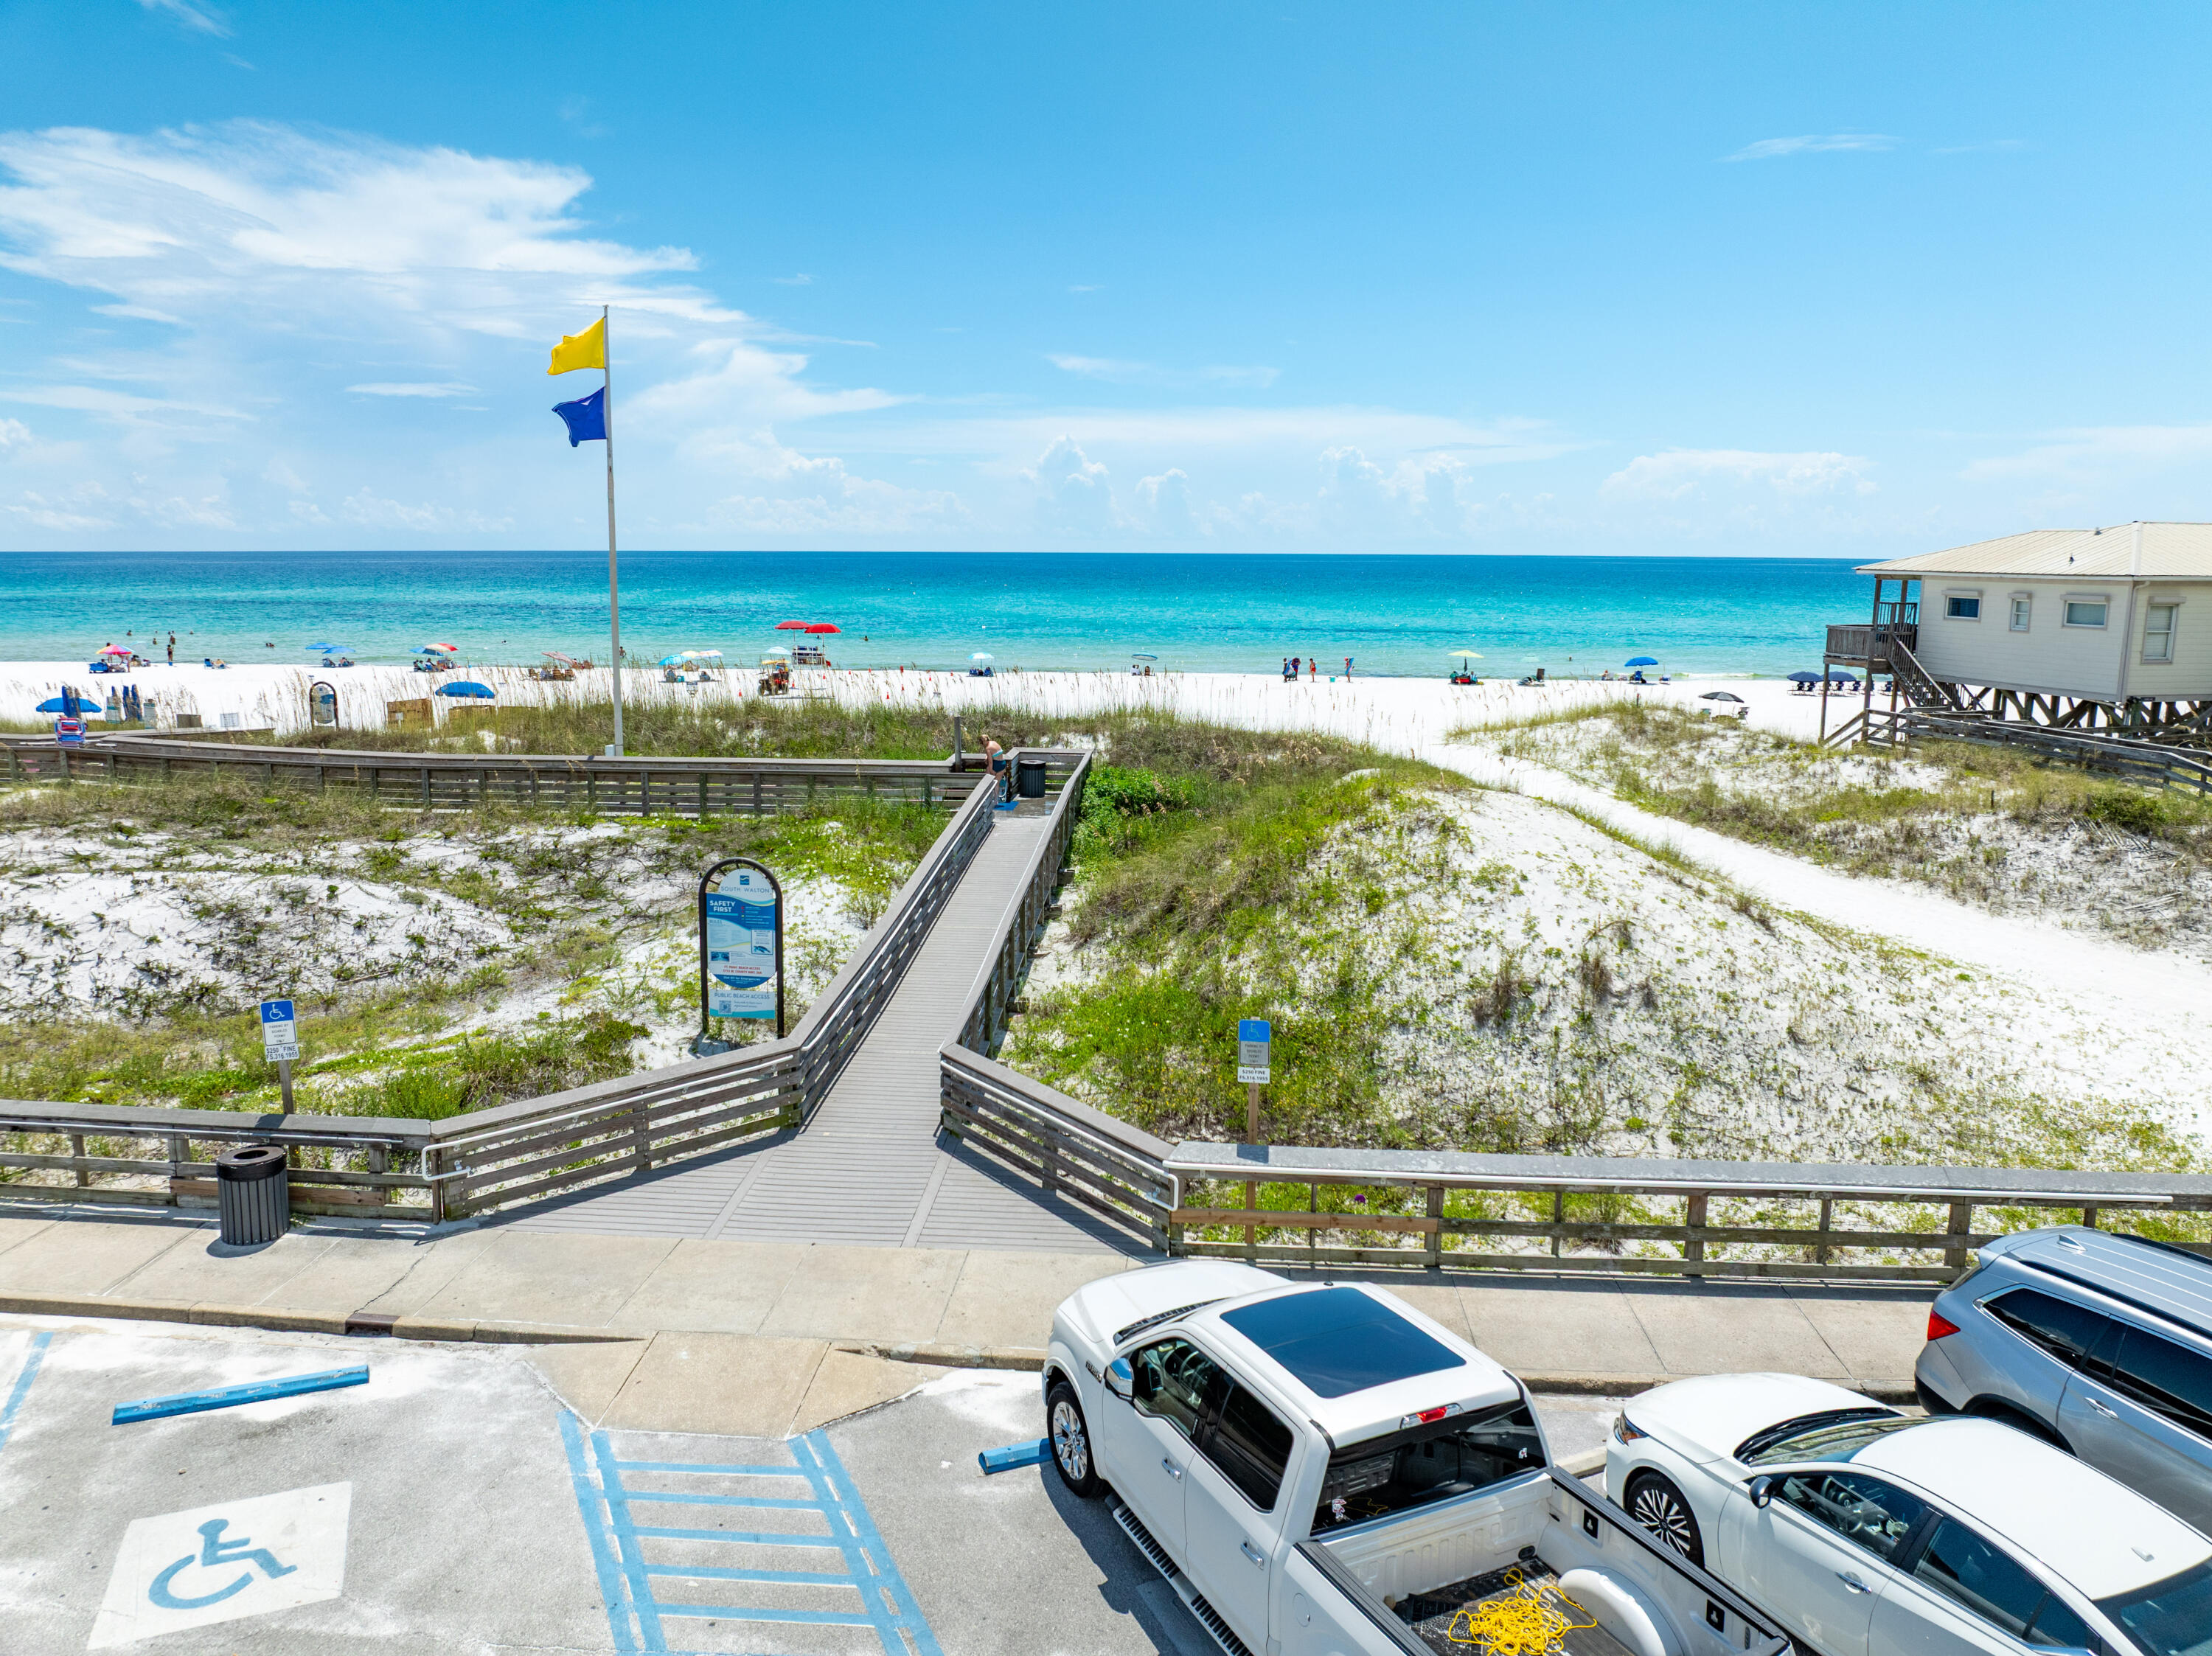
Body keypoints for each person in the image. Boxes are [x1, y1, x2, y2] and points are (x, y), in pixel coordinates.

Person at [982, 735, 1009, 803]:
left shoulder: (988, 748)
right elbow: (995, 752)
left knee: (987, 782)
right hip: (1003, 764)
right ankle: (996, 800)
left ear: (983, 742)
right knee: (997, 783)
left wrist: (991, 771)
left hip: (995, 765)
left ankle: (987, 799)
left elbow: (990, 762)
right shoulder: (994, 743)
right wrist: (987, 756)